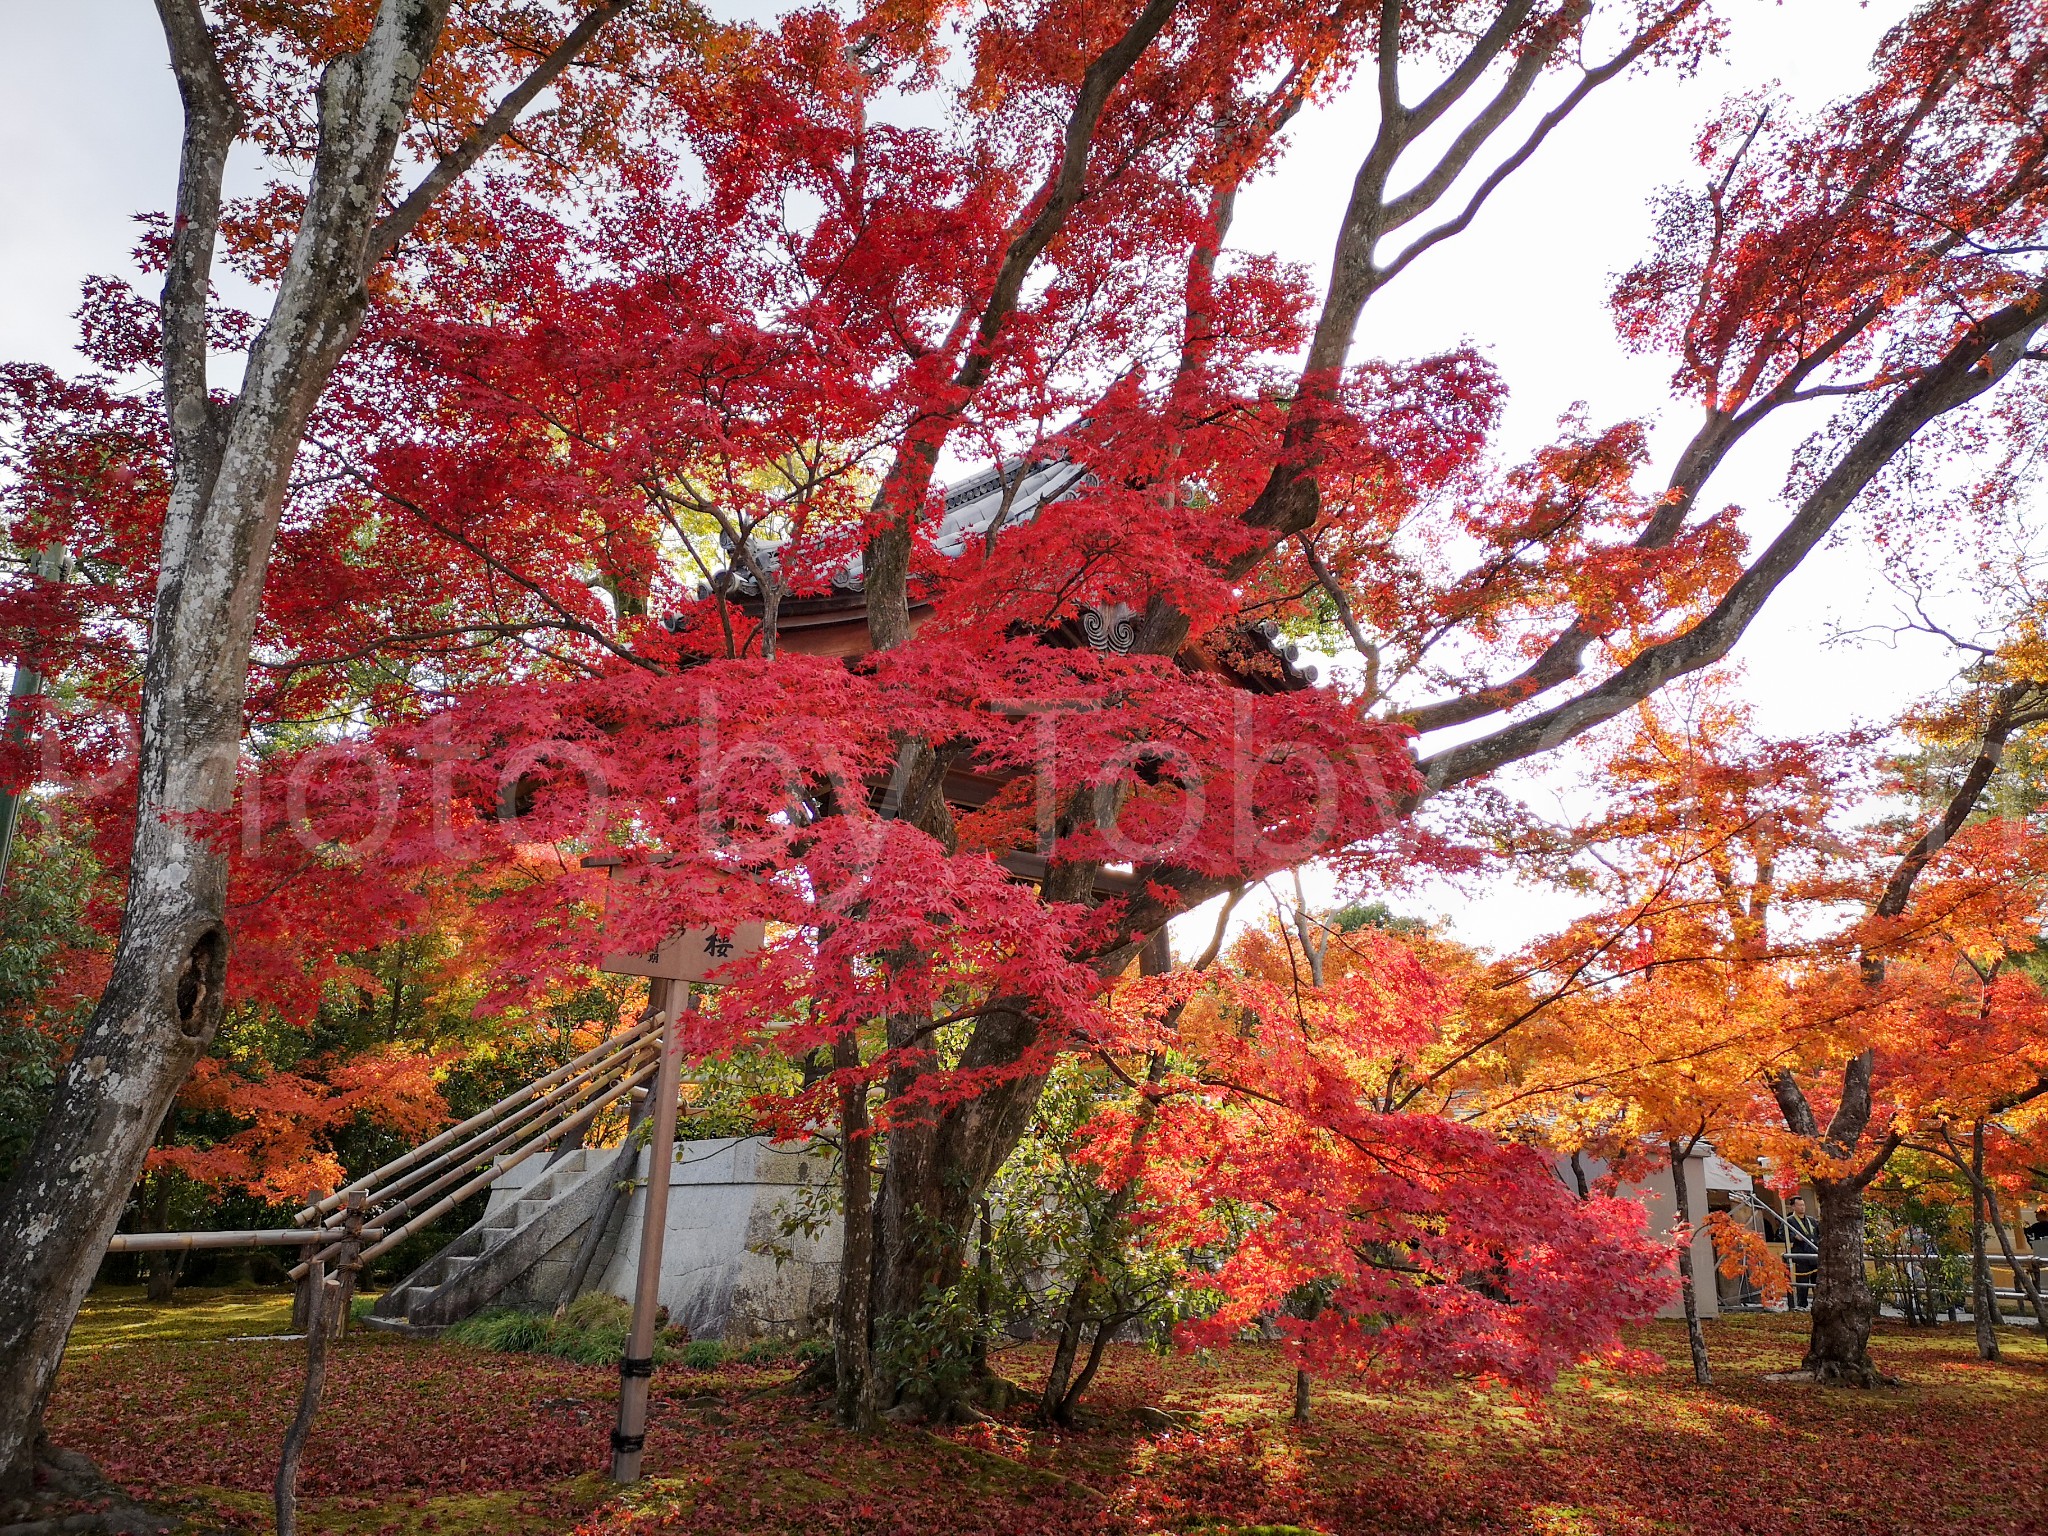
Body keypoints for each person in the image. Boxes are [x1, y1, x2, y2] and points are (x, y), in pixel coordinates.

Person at [1786, 1196, 1820, 1311]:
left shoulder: (1812, 1220)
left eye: (1803, 1205)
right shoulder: (1790, 1220)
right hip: (1801, 1253)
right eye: (1799, 1205)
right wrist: (1794, 1236)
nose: (1802, 1207)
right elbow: (1782, 1235)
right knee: (1802, 1280)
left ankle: (1818, 1303)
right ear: (1793, 1207)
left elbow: (1819, 1233)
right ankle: (1802, 1304)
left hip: (1814, 1252)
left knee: (1817, 1280)